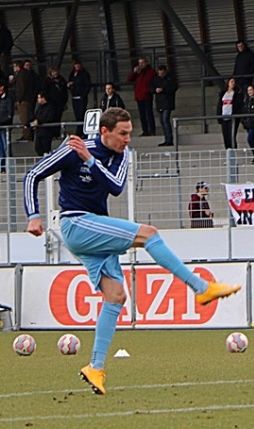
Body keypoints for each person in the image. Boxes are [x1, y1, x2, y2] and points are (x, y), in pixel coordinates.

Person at [23, 108, 241, 395]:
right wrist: (33, 215)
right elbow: (32, 175)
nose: (128, 139)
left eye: (129, 133)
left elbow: (115, 187)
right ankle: (200, 287)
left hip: (96, 229)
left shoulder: (122, 156)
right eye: (122, 133)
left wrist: (92, 163)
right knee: (149, 233)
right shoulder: (77, 149)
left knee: (116, 296)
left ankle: (95, 368)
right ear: (105, 132)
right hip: (76, 223)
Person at [127, 56, 156, 136]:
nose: (141, 65)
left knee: (149, 113)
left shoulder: (151, 71)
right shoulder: (138, 73)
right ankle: (145, 130)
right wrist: (134, 72)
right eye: (139, 63)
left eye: (142, 63)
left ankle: (152, 130)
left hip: (147, 95)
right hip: (139, 96)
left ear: (146, 63)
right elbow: (129, 79)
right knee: (142, 115)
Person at [152, 65, 178, 147]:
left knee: (165, 120)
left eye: (162, 73)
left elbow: (174, 87)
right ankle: (166, 138)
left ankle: (169, 139)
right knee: (162, 122)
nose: (160, 75)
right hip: (159, 102)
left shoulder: (170, 78)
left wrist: (164, 89)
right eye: (159, 73)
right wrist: (155, 90)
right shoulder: (156, 79)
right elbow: (151, 88)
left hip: (167, 102)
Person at [0, 81, 14, 172]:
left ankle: (9, 167)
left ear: (2, 87)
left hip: (5, 126)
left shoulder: (8, 99)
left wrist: (0, 120)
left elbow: (9, 114)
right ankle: (1, 167)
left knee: (6, 147)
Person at [216, 77, 242, 149]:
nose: (233, 83)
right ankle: (228, 153)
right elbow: (219, 105)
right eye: (231, 81)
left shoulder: (236, 94)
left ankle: (233, 154)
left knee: (232, 136)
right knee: (225, 136)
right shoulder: (223, 93)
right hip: (224, 117)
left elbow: (238, 105)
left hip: (232, 118)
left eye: (234, 82)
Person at [68, 60, 93, 136]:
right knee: (77, 115)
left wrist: (83, 95)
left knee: (82, 114)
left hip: (81, 97)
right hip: (74, 96)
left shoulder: (84, 74)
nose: (77, 67)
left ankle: (82, 131)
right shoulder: (72, 74)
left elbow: (87, 85)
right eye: (76, 65)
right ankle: (79, 130)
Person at [31, 91, 56, 157]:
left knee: (46, 148)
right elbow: (36, 115)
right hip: (39, 131)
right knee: (38, 148)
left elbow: (50, 118)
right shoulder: (39, 107)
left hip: (46, 131)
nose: (38, 99)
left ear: (43, 98)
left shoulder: (50, 107)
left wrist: (39, 121)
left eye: (39, 98)